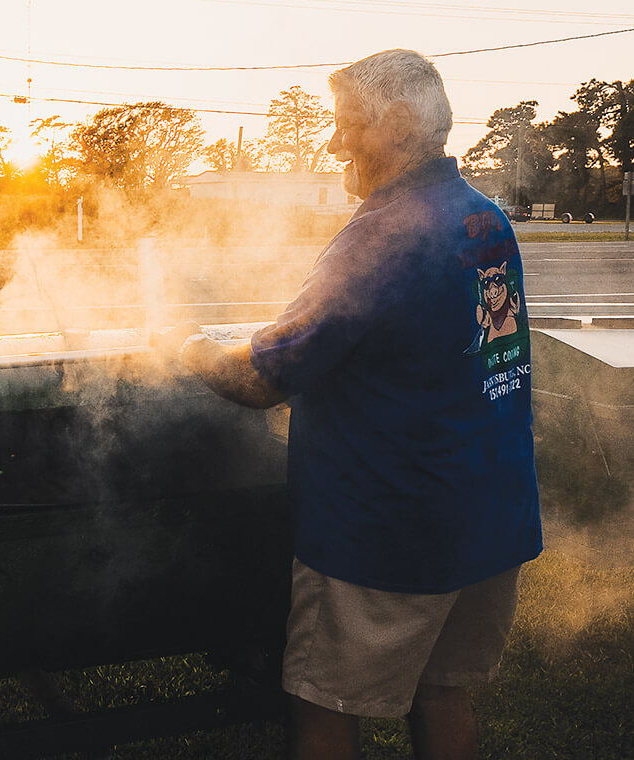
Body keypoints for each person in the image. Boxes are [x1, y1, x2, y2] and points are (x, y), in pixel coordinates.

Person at [160, 49, 542, 760]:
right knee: (442, 691)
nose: (333, 143)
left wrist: (185, 348)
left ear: (396, 125)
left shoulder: (382, 235)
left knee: (324, 703)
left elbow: (262, 380)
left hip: (391, 533)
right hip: (491, 516)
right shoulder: (483, 218)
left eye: (344, 125)